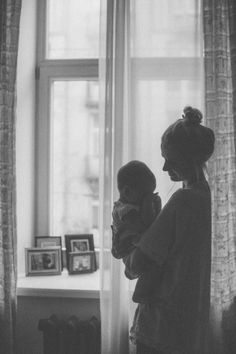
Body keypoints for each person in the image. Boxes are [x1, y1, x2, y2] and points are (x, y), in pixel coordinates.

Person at [123, 107, 215, 354]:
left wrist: (128, 229)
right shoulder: (210, 199)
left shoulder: (182, 201)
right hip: (191, 327)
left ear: (188, 158)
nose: (164, 168)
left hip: (163, 329)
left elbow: (135, 266)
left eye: (170, 159)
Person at [111, 160, 162, 302]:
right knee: (152, 267)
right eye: (145, 195)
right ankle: (140, 293)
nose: (149, 197)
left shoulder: (133, 204)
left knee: (154, 267)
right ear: (127, 192)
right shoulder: (124, 210)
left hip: (136, 248)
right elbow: (148, 225)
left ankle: (143, 290)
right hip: (129, 253)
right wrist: (148, 205)